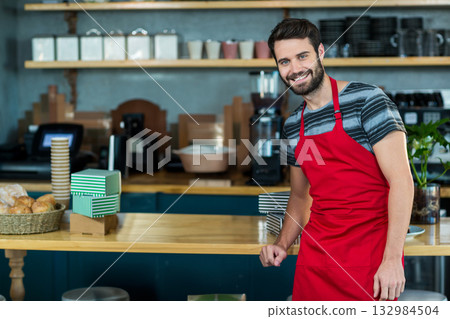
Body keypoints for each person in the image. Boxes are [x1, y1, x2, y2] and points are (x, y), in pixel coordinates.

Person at [259, 18, 414, 301]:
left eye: (302, 56)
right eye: (284, 62)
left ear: (320, 52)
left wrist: (392, 259)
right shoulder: (293, 125)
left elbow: (401, 182)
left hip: (370, 253)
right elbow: (299, 196)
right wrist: (282, 242)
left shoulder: (368, 100)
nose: (294, 69)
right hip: (316, 256)